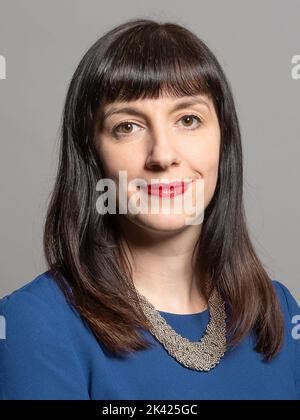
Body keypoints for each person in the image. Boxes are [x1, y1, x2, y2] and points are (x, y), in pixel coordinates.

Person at [0, 18, 299, 400]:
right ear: (92, 154)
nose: (163, 155)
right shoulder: (33, 325)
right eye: (127, 126)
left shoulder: (278, 313)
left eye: (188, 120)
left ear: (224, 142)